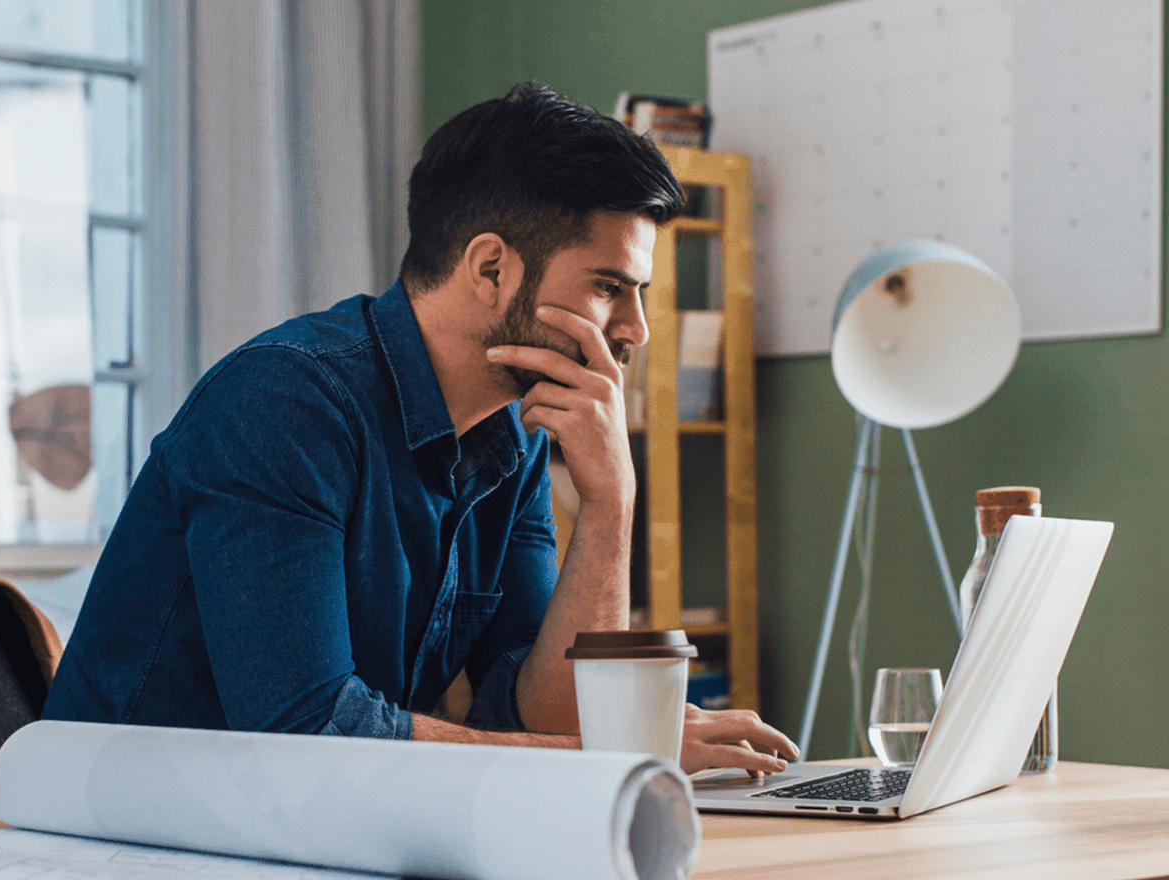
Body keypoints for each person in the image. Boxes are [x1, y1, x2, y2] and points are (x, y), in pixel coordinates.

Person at [43, 83, 797, 775]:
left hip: (313, 827)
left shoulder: (518, 438)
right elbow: (306, 732)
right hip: (132, 829)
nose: (634, 330)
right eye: (610, 288)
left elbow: (542, 711)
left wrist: (611, 503)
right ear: (491, 268)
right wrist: (616, 757)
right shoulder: (286, 403)